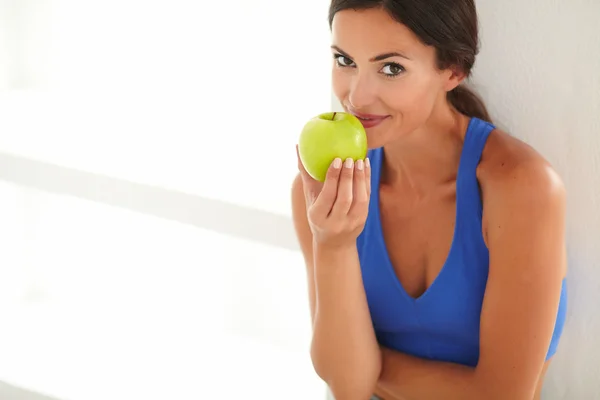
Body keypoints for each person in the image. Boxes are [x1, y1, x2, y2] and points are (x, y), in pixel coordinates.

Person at [291, 1, 568, 399]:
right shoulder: (320, 196)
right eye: (345, 60)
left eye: (391, 68)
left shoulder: (523, 189)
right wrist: (333, 245)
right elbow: (346, 388)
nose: (357, 96)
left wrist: (367, 363)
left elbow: (500, 396)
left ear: (452, 70)